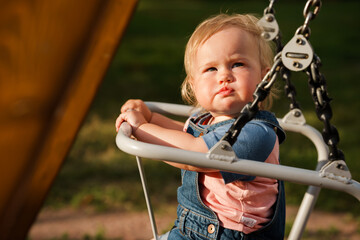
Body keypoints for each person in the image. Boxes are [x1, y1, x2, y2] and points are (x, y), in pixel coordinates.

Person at [115, 13, 286, 240]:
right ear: (193, 85)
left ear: (265, 79)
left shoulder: (257, 133)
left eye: (238, 64)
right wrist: (149, 116)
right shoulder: (206, 121)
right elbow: (183, 134)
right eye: (211, 69)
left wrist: (142, 128)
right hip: (191, 229)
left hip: (228, 235)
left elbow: (195, 155)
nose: (224, 76)